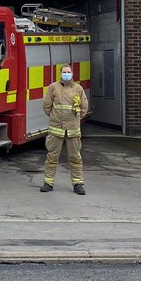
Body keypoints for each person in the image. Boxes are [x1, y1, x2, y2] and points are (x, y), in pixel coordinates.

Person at [40, 65, 90, 195]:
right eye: (64, 72)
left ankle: (78, 184)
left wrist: (76, 119)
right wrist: (55, 117)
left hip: (73, 129)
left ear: (72, 73)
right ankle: (48, 183)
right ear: (60, 73)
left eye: (68, 72)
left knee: (75, 157)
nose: (66, 74)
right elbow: (46, 105)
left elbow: (84, 107)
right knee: (52, 157)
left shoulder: (78, 89)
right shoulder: (53, 87)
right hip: (56, 128)